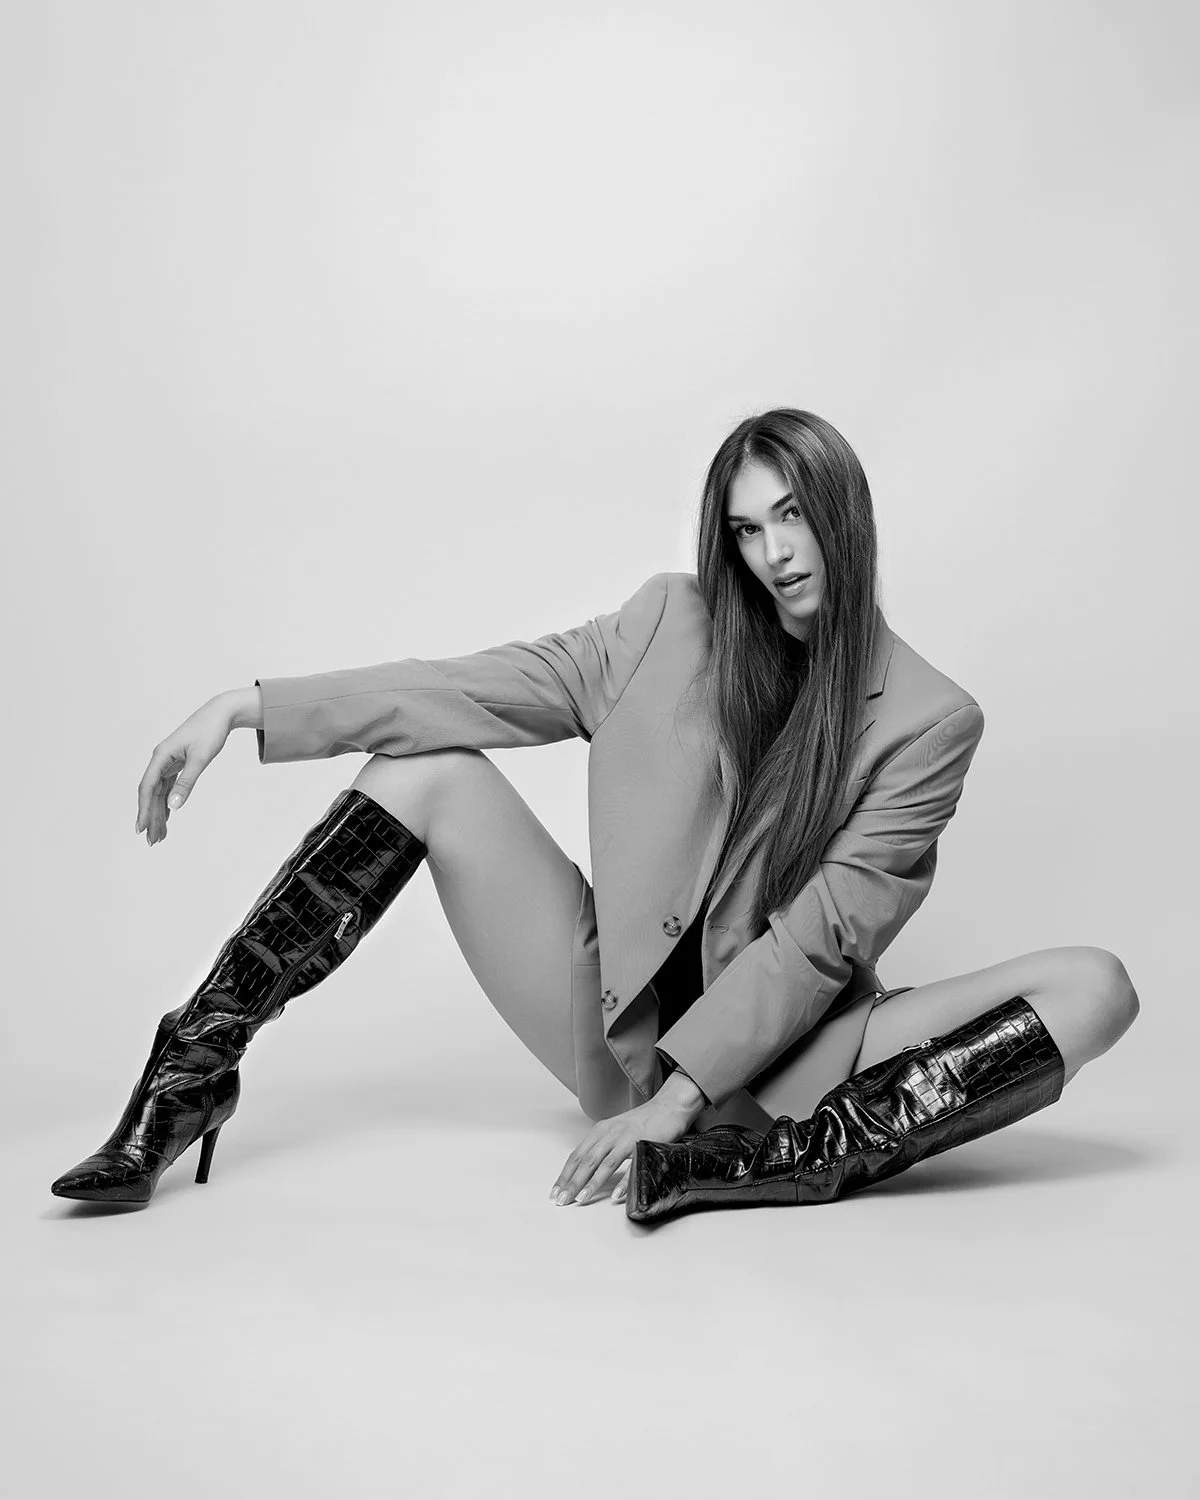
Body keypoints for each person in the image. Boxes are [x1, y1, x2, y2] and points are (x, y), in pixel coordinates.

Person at [50, 409, 1140, 1221]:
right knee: (424, 767)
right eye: (749, 529)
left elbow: (826, 939)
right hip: (619, 1039)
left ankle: (751, 1171)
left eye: (796, 516)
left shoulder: (929, 719)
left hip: (802, 1074)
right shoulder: (669, 623)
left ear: (844, 511)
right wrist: (246, 706)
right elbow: (469, 687)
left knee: (1096, 987)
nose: (776, 554)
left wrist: (678, 1113)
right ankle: (193, 1069)